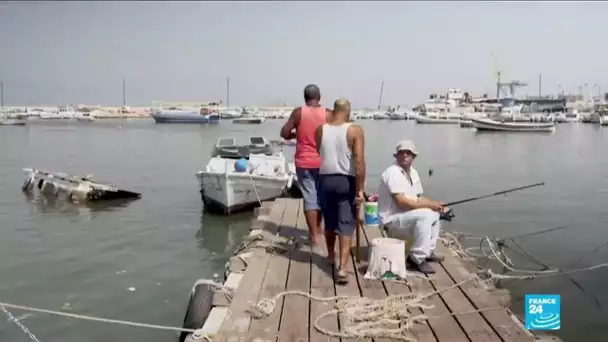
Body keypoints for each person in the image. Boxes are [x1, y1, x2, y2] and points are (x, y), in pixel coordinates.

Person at [377, 140, 447, 274]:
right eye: (401, 153)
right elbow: (401, 202)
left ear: (414, 156)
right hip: (391, 221)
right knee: (426, 214)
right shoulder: (393, 172)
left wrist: (437, 205)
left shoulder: (413, 172)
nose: (404, 155)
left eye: (408, 153)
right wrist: (430, 205)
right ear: (396, 155)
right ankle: (416, 258)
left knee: (435, 213)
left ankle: (428, 252)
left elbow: (419, 197)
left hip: (405, 217)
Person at [315, 98, 365, 284]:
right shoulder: (355, 130)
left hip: (325, 178)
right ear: (348, 110)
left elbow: (320, 150)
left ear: (334, 111)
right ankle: (342, 268)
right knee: (346, 221)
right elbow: (359, 161)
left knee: (329, 219)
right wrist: (360, 189)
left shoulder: (321, 129)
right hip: (346, 179)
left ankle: (330, 255)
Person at [280, 84, 331, 244]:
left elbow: (284, 132)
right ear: (319, 97)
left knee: (310, 196)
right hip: (324, 161)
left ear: (304, 97)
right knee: (321, 196)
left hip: (304, 161)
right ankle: (319, 228)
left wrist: (294, 135)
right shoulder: (328, 114)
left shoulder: (298, 113)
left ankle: (314, 236)